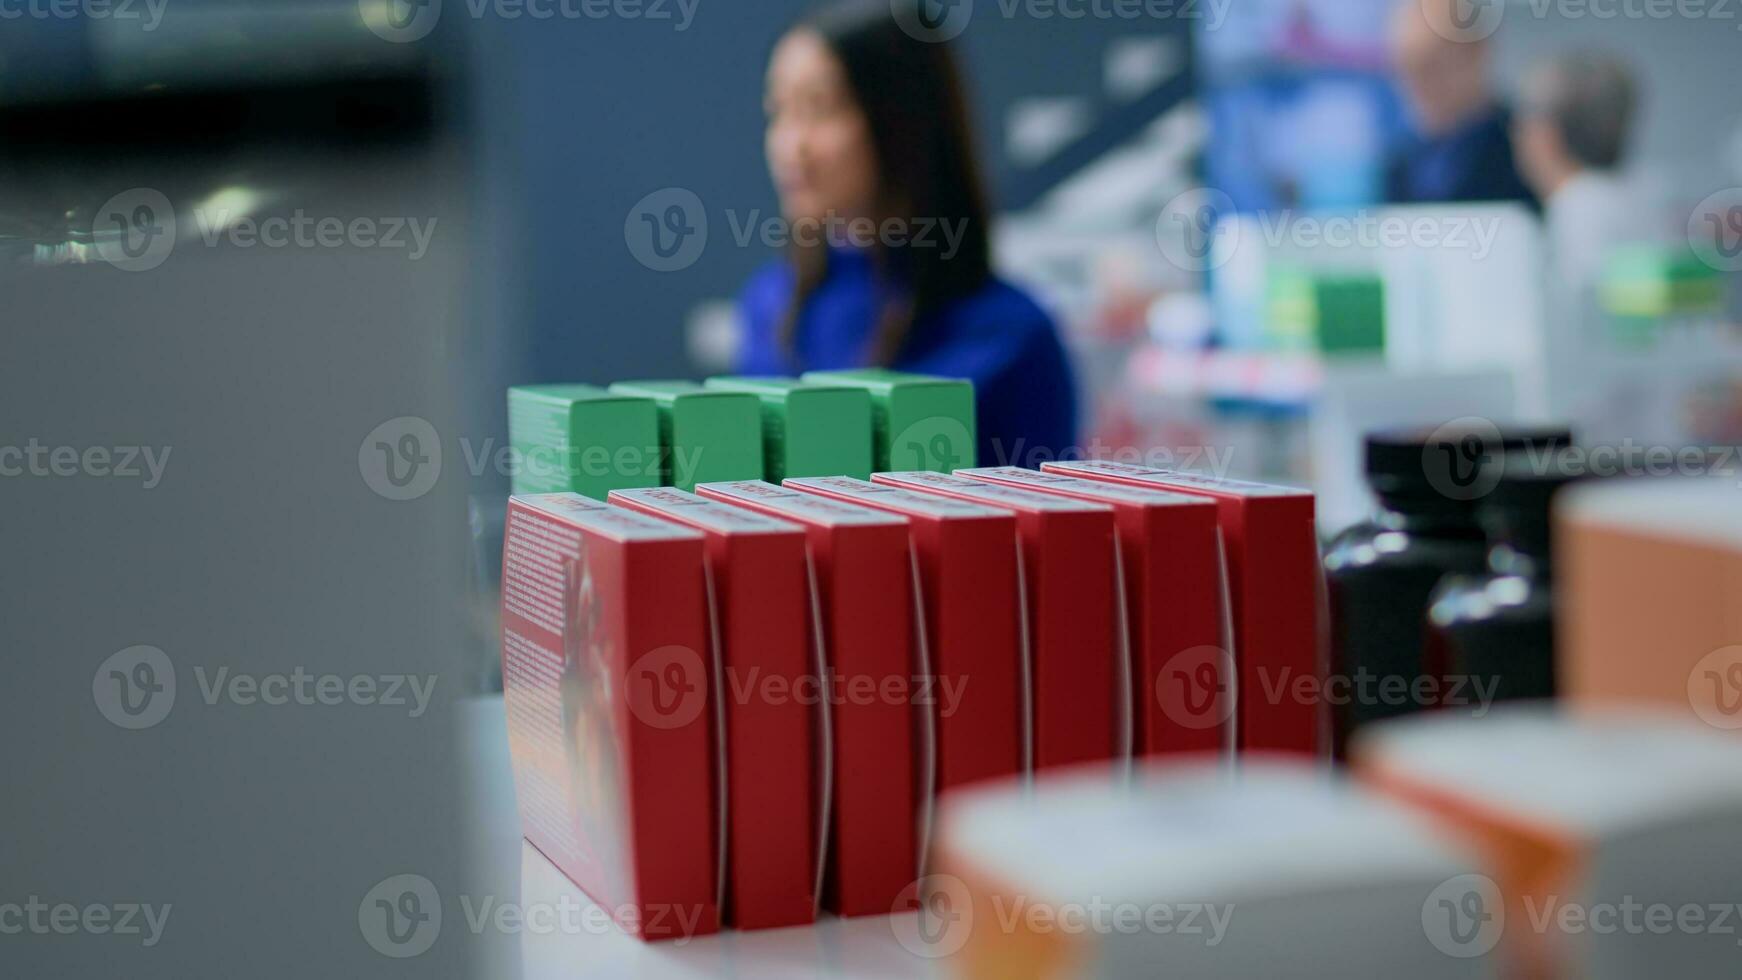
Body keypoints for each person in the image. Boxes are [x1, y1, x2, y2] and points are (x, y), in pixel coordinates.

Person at [737, 0, 1078, 467]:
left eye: (820, 108)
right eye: (779, 111)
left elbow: (1050, 533)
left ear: (902, 118)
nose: (790, 145)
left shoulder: (1011, 335)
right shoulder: (769, 309)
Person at [1512, 52, 1649, 300]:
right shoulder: (1640, 194)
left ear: (1545, 134)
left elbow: (1580, 317)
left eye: (1522, 122)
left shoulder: (1577, 209)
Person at [1385, 0, 1537, 209]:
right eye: (1407, 68)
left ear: (1477, 51)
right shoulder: (1400, 164)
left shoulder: (1530, 149)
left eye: (1432, 64)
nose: (1418, 84)